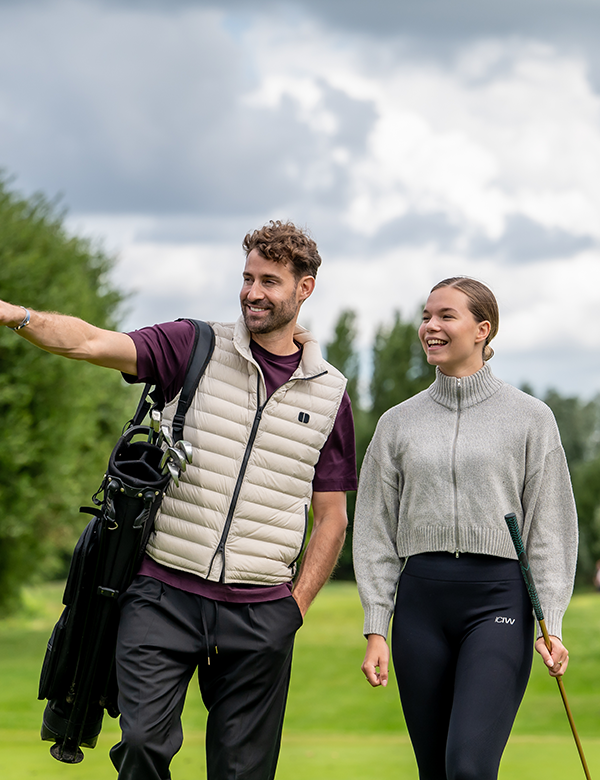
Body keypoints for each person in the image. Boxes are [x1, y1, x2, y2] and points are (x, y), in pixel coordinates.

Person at [0, 219, 357, 780]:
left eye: (269, 281)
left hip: (261, 609)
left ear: (304, 289)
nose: (252, 293)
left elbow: (332, 518)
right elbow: (92, 342)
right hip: (163, 592)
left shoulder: (331, 393)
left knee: (244, 772)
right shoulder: (194, 345)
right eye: (247, 278)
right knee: (142, 745)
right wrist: (15, 315)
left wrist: (296, 607)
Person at [353, 276, 577, 780]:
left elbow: (551, 529)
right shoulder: (396, 423)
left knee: (469, 766)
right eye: (426, 316)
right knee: (435, 771)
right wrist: (376, 626)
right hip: (420, 608)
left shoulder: (530, 419)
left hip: (498, 603)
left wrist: (553, 620)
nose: (430, 326)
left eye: (445, 316)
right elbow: (373, 530)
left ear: (482, 329)